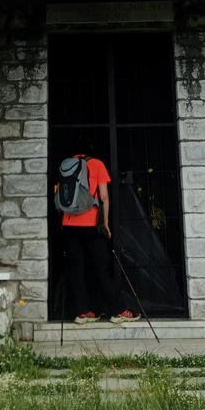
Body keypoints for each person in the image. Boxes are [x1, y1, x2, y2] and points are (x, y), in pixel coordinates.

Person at [60, 139, 141, 324]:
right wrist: (105, 223)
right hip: (91, 225)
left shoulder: (67, 164)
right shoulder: (97, 164)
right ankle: (118, 310)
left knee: (77, 269)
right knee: (102, 269)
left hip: (69, 224)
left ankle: (83, 312)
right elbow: (104, 197)